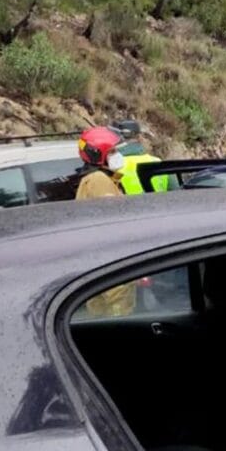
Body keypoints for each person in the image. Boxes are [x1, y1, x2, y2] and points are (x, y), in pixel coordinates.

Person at [74, 125, 136, 316]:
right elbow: (113, 225)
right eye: (113, 151)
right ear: (98, 155)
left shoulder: (93, 179)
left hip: (99, 259)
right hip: (112, 261)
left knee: (99, 312)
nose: (117, 155)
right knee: (118, 314)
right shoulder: (99, 181)